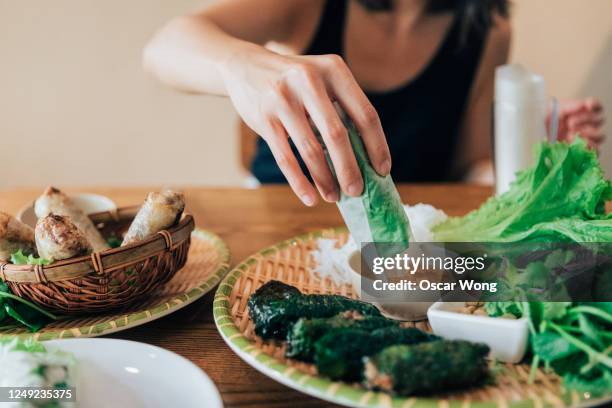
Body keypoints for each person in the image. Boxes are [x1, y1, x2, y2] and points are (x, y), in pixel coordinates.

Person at [143, 0, 605, 206]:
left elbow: (470, 165)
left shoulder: (487, 30)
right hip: (283, 215)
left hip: (405, 249)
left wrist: (532, 157)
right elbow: (163, 48)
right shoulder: (307, 3)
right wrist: (241, 66)